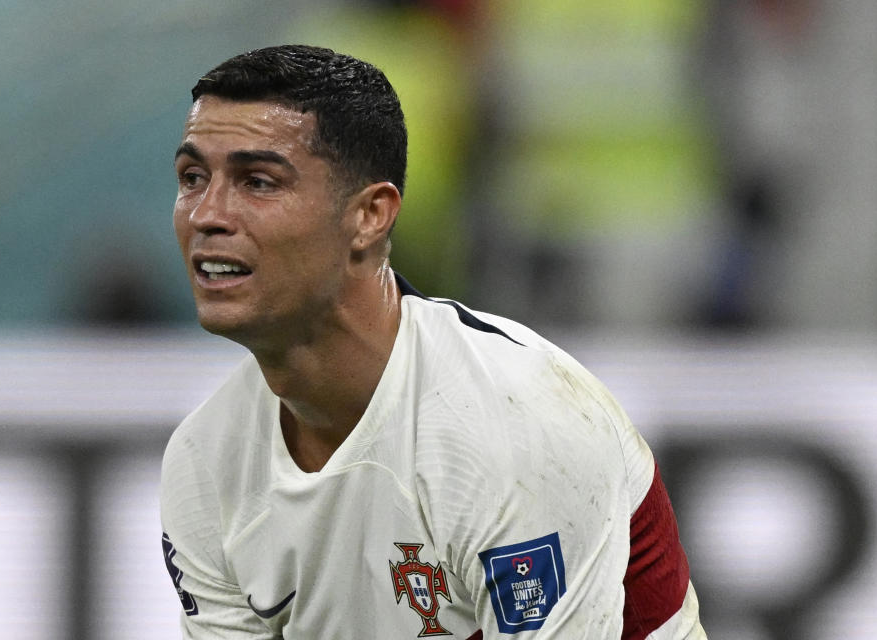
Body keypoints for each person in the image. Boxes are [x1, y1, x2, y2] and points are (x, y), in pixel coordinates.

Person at [160, 44, 706, 639]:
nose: (207, 214)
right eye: (193, 178)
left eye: (257, 181)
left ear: (370, 216)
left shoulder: (518, 424)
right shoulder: (204, 464)